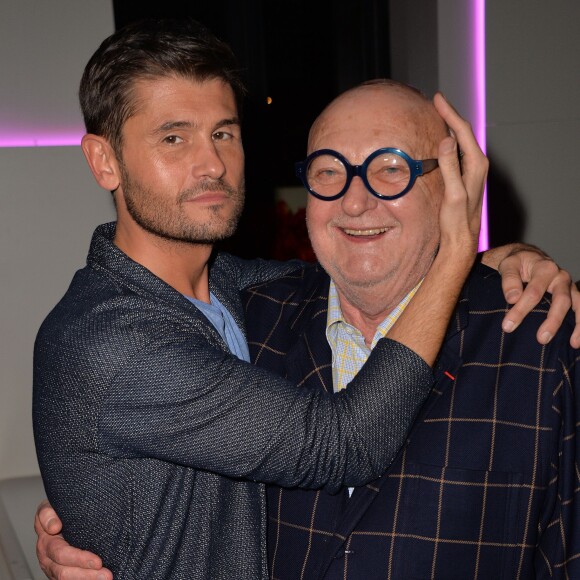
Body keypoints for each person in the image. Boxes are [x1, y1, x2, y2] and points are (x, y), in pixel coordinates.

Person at [33, 20, 580, 580]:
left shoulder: (245, 294)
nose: (212, 165)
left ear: (448, 185)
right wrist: (455, 255)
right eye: (174, 137)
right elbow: (340, 443)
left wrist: (505, 256)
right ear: (104, 161)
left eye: (223, 133)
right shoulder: (113, 343)